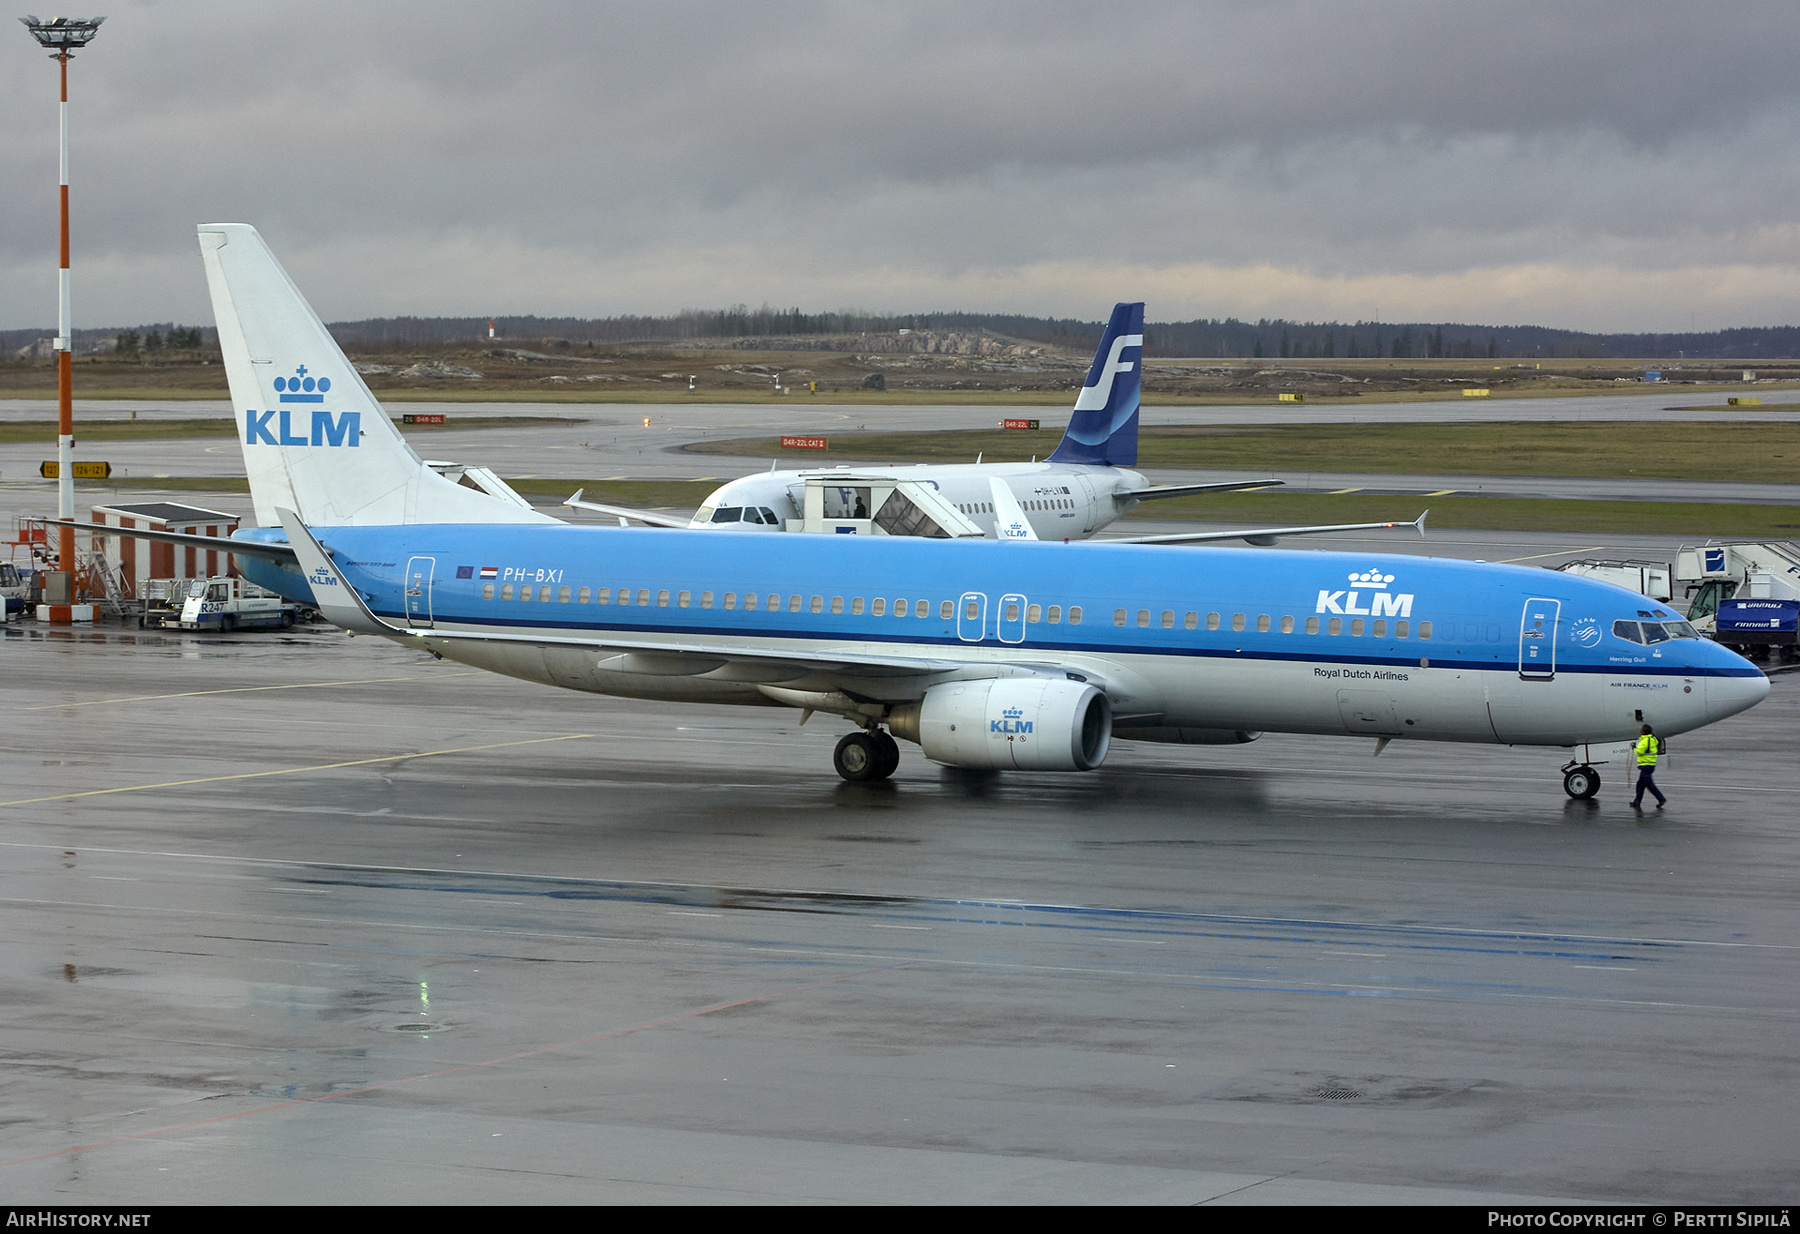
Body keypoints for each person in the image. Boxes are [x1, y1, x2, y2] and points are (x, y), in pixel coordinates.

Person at [1631, 724, 1667, 809]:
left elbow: (1639, 752)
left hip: (1646, 765)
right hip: (1649, 765)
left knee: (1649, 785)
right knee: (1640, 784)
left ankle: (1661, 799)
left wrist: (1634, 748)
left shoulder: (1645, 741)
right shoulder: (1652, 739)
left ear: (1643, 732)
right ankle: (1637, 801)